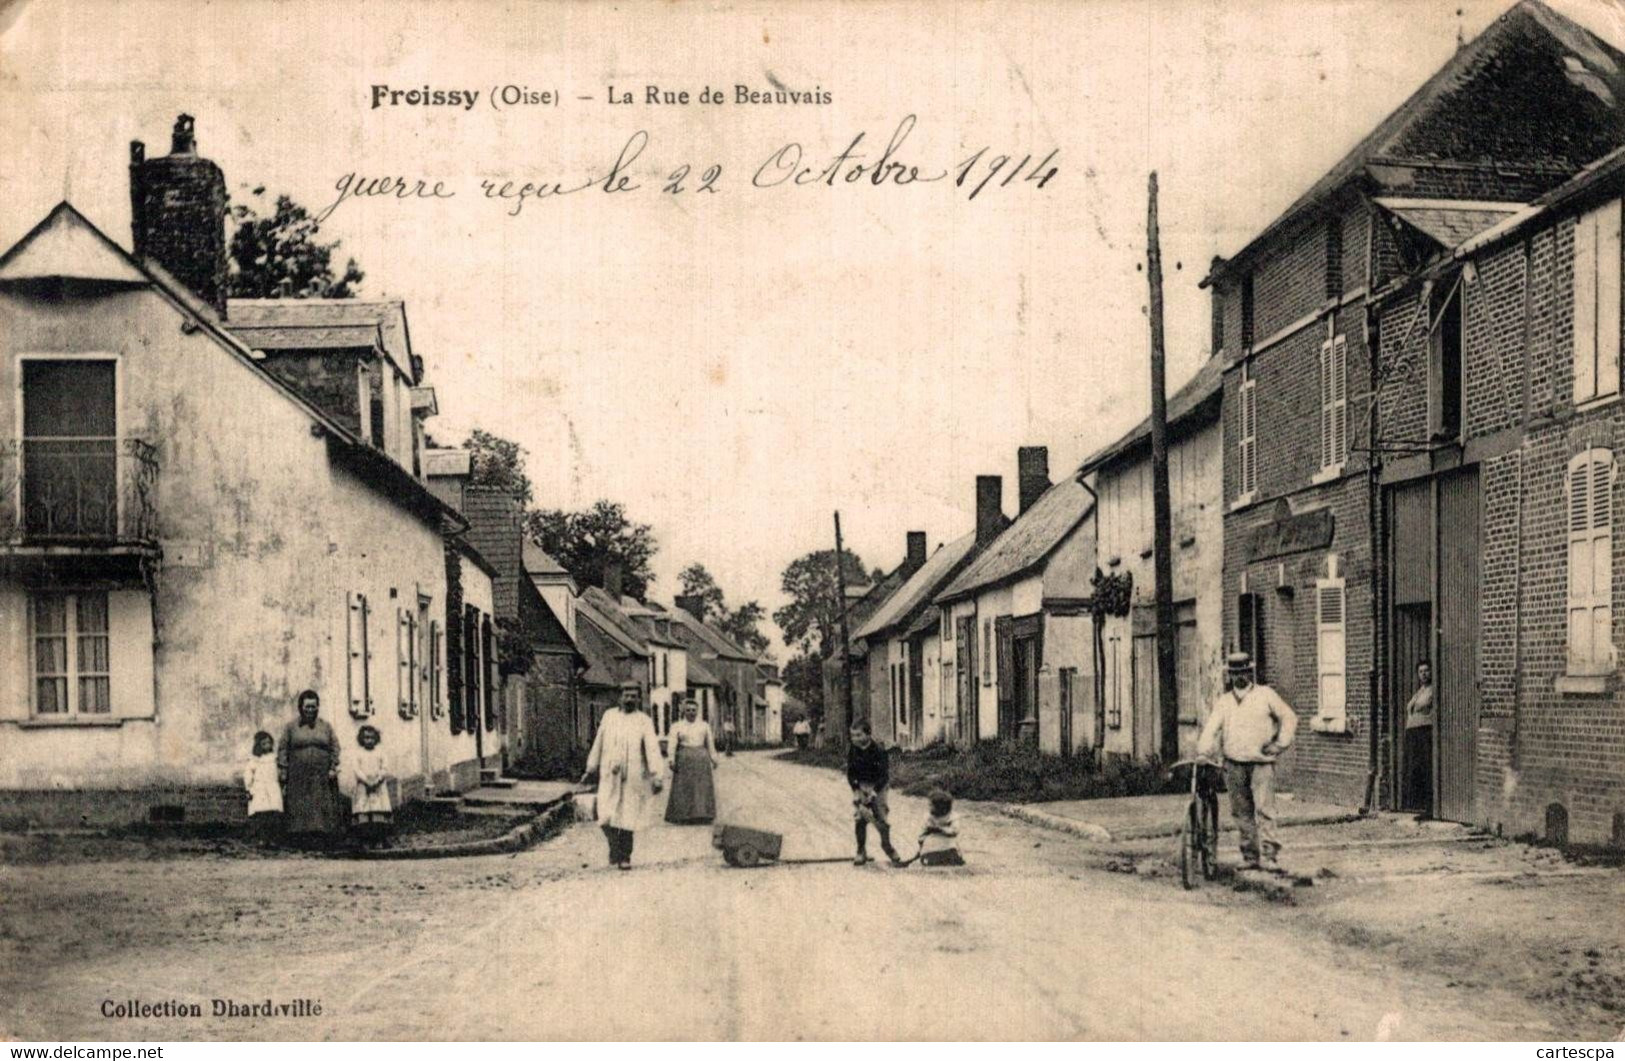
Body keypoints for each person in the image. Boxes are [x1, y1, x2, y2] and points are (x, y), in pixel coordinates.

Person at [1196, 652, 1298, 874]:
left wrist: (1280, 744)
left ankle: (1270, 856)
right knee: (1241, 812)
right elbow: (1212, 729)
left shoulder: (1265, 695)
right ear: (1229, 675)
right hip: (1233, 763)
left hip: (1261, 763)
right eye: (1234, 673)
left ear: (1249, 672)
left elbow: (1289, 717)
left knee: (1264, 809)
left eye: (1242, 672)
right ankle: (1250, 856)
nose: (1238, 677)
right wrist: (1203, 752)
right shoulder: (1224, 702)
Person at [581, 682, 666, 870]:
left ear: (638, 698)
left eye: (633, 696)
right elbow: (599, 742)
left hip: (633, 776)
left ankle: (625, 856)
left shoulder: (644, 720)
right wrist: (590, 768)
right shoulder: (609, 716)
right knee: (604, 815)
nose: (629, 699)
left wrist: (656, 775)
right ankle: (614, 847)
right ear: (620, 697)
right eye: (626, 695)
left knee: (628, 816)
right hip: (609, 774)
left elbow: (652, 748)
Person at [277, 689, 343, 846]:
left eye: (313, 706)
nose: (310, 710)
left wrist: (333, 767)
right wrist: (283, 769)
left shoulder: (326, 727)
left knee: (321, 803)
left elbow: (335, 747)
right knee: (299, 803)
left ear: (318, 707)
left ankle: (322, 836)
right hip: (298, 774)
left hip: (321, 774)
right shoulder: (291, 727)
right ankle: (299, 836)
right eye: (307, 707)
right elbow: (282, 749)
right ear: (301, 707)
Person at [847, 720, 901, 866]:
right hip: (862, 785)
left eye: (859, 735)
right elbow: (851, 773)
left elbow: (884, 776)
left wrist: (874, 793)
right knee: (860, 818)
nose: (855, 739)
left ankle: (887, 847)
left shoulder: (879, 750)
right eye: (853, 736)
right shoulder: (853, 749)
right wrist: (856, 790)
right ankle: (860, 851)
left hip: (879, 786)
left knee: (881, 817)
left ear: (868, 734)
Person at [664, 698, 720, 824]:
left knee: (701, 787)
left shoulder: (704, 725)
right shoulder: (677, 726)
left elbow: (710, 744)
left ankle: (703, 815)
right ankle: (683, 816)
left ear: (697, 711)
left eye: (694, 710)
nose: (691, 713)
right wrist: (671, 759)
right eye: (688, 710)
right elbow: (672, 744)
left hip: (701, 759)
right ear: (684, 711)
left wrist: (714, 758)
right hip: (684, 759)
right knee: (684, 787)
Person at [350, 724, 394, 846]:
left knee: (378, 813)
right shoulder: (358, 753)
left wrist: (377, 780)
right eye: (366, 738)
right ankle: (365, 840)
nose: (369, 740)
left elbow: (384, 768)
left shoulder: (380, 753)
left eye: (371, 737)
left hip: (378, 787)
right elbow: (357, 770)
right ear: (361, 739)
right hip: (363, 787)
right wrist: (366, 781)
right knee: (364, 813)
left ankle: (380, 839)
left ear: (376, 739)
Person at [241, 730, 284, 846]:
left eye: (269, 743)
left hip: (272, 787)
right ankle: (262, 839)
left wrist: (282, 781)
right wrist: (248, 789)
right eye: (264, 744)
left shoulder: (274, 758)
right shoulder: (254, 760)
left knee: (273, 815)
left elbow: (279, 772)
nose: (267, 746)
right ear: (258, 745)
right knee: (261, 816)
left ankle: (273, 839)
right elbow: (248, 774)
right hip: (260, 789)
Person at [1403, 660, 1434, 816]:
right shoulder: (1420, 691)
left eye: (1427, 670)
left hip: (1424, 732)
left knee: (1424, 766)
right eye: (1421, 671)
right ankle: (1416, 804)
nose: (1424, 674)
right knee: (1413, 767)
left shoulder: (1432, 691)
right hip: (1413, 732)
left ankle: (1427, 805)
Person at [915, 788, 965, 867]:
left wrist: (920, 851)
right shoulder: (953, 816)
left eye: (931, 805)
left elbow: (921, 837)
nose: (929, 807)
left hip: (930, 852)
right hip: (949, 851)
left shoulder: (928, 817)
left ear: (939, 806)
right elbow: (954, 831)